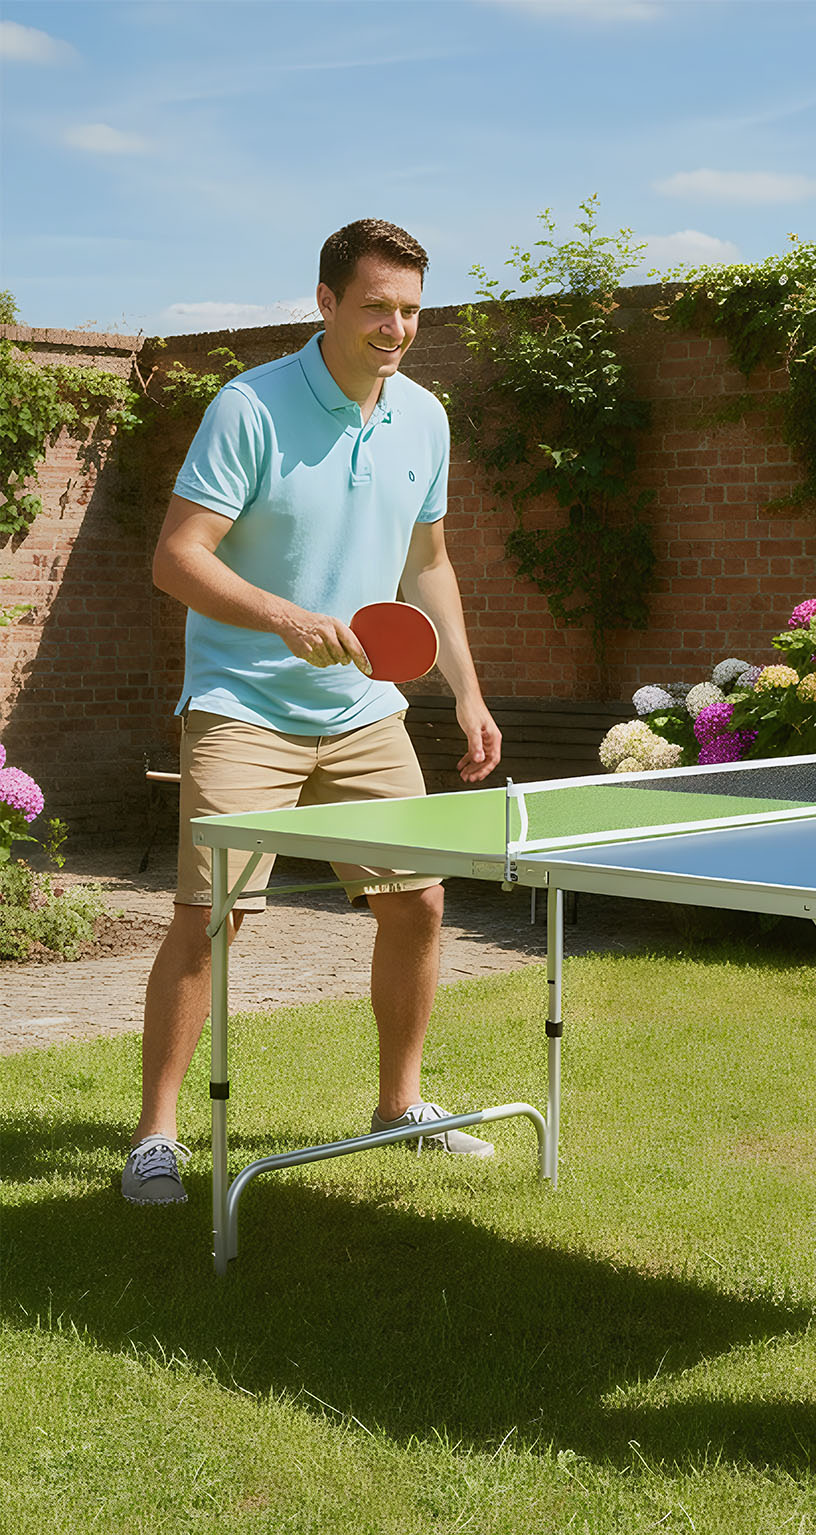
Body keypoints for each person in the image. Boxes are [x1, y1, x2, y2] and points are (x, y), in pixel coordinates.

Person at [122, 218, 503, 1205]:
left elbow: (429, 562)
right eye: (376, 305)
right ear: (326, 302)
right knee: (213, 919)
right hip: (242, 704)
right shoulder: (248, 407)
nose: (396, 326)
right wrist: (281, 616)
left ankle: (399, 1106)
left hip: (363, 708)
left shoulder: (424, 418)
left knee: (418, 901)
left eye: (411, 309)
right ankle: (155, 1136)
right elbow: (177, 556)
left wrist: (465, 687)